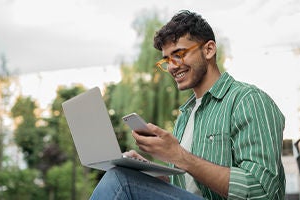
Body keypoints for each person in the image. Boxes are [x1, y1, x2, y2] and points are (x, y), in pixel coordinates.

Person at [90, 10, 285, 200]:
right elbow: (184, 188)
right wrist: (147, 171)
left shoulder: (247, 100)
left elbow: (261, 190)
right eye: (167, 60)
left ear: (208, 50)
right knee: (123, 174)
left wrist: (180, 156)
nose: (172, 66)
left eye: (179, 54)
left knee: (120, 181)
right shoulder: (186, 115)